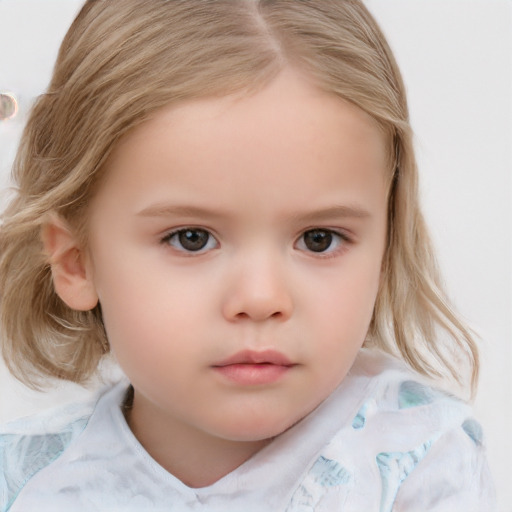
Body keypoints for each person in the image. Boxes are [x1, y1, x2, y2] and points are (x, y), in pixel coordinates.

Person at [0, 1, 496, 510]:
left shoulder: (416, 463)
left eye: (319, 239)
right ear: (76, 262)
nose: (261, 299)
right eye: (191, 238)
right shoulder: (27, 484)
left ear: (385, 250)